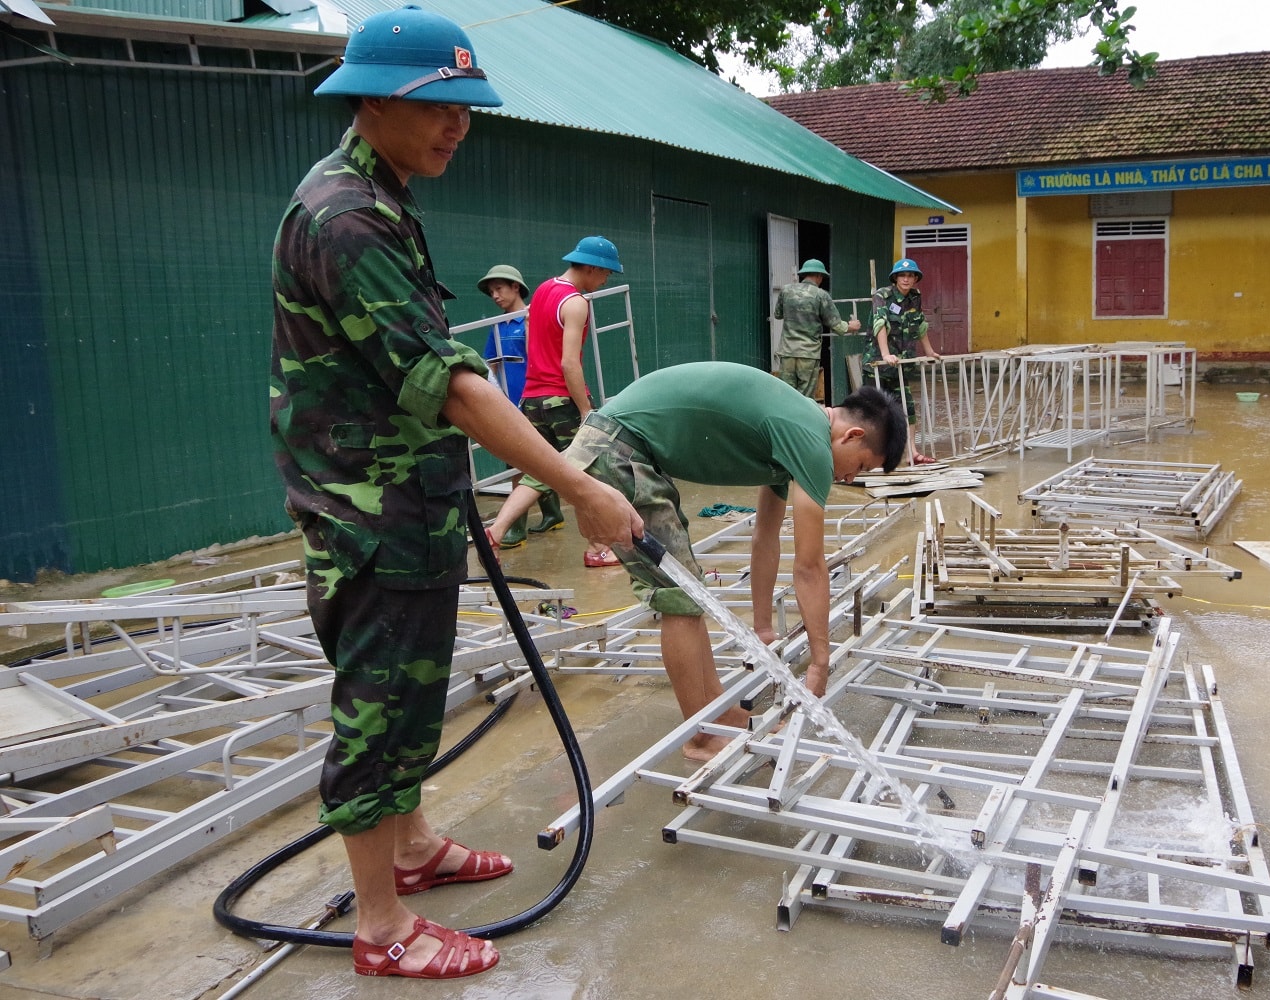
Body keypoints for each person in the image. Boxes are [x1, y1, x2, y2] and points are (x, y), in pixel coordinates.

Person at [269, 6, 640, 981]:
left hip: (409, 500)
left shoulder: (384, 197)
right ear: (376, 100)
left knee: (415, 692)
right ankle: (383, 925)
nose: (460, 126)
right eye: (442, 108)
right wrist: (575, 483)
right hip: (366, 514)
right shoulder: (344, 218)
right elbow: (451, 382)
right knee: (377, 707)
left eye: (468, 110)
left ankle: (414, 846)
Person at [493, 362, 907, 761]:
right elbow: (810, 567)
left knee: (690, 593)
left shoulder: (797, 426)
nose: (850, 479)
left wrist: (762, 627)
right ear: (852, 435)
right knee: (681, 595)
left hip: (621, 443)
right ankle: (703, 736)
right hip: (620, 449)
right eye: (860, 467)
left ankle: (719, 715)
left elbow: (766, 537)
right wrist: (820, 662)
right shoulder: (810, 440)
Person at [487, 237, 622, 568]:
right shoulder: (576, 303)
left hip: (532, 398)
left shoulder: (545, 289)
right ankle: (599, 548)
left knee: (539, 472)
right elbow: (569, 363)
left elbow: (533, 335)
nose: (606, 280)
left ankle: (497, 529)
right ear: (590, 267)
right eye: (605, 273)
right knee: (590, 470)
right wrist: (587, 410)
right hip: (562, 398)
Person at [864, 257, 944, 464]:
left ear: (915, 278)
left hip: (901, 363)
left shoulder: (915, 297)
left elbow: (920, 325)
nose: (906, 279)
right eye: (902, 275)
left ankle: (912, 453)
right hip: (878, 365)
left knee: (906, 409)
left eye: (910, 275)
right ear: (895, 278)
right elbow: (879, 323)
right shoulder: (882, 295)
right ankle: (870, 456)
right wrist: (884, 355)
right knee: (875, 413)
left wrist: (929, 352)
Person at [773, 258, 862, 399]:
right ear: (819, 276)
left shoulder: (786, 290)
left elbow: (777, 315)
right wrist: (852, 326)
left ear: (804, 274)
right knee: (805, 396)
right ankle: (801, 420)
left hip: (787, 352)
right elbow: (837, 326)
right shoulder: (821, 295)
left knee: (786, 395)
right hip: (808, 354)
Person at [475, 264, 529, 405]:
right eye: (491, 292)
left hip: (537, 401)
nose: (495, 296)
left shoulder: (533, 318)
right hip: (509, 404)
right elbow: (491, 366)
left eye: (498, 289)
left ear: (515, 287)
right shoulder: (497, 326)